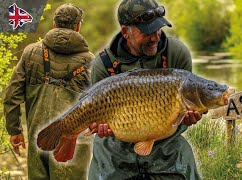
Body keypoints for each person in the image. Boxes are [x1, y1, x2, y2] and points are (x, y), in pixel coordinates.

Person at [88, 0, 204, 179]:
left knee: (182, 158)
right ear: (126, 32)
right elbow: (98, 119)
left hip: (165, 144)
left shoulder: (177, 53)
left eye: (158, 29)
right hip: (116, 146)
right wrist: (101, 127)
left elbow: (182, 113)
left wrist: (187, 118)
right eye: (147, 32)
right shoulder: (103, 64)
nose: (156, 37)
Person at [4, 3, 94, 180]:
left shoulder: (31, 53)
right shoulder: (90, 61)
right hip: (73, 146)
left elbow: (12, 94)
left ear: (54, 24)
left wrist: (14, 130)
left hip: (38, 139)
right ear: (78, 27)